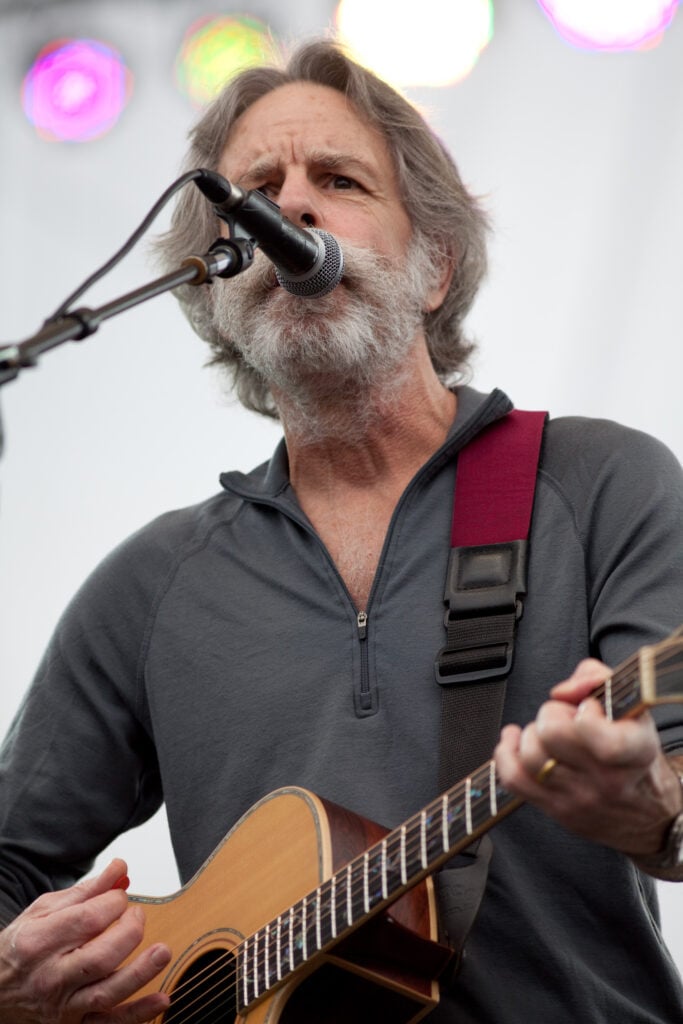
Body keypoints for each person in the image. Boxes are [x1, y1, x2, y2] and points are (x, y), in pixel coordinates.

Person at [1, 38, 682, 1024]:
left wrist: (653, 814)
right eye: (253, 196)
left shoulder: (597, 482)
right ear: (216, 294)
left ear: (435, 266)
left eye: (338, 180)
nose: (289, 209)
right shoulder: (150, 585)